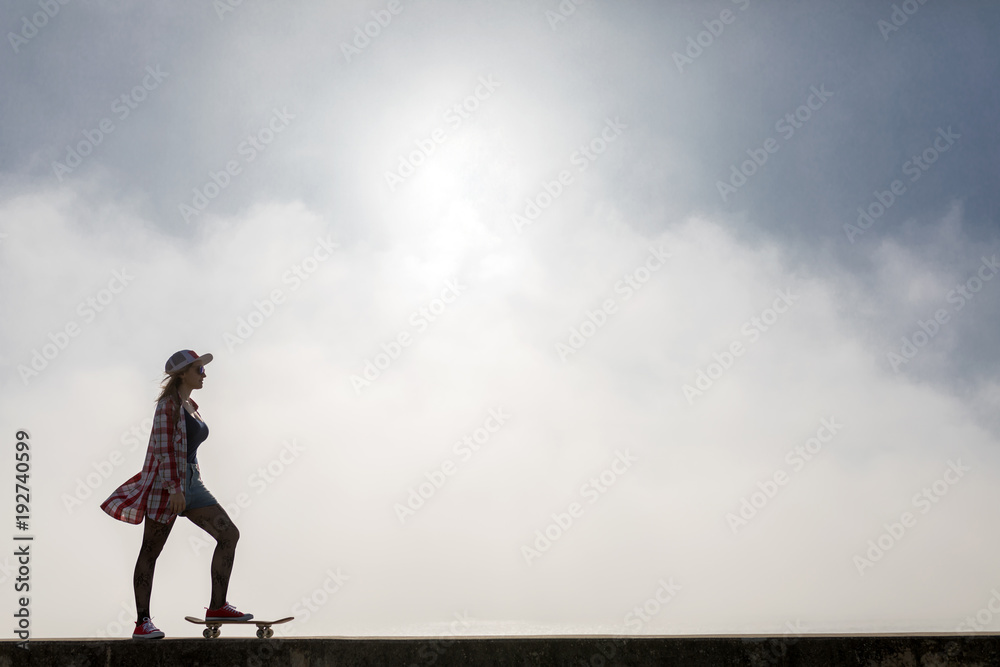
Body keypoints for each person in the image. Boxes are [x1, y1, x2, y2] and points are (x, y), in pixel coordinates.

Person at [101, 350, 252, 639]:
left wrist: (188, 483)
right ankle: (142, 623)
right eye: (199, 369)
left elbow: (186, 448)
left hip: (192, 481)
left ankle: (217, 606)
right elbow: (163, 449)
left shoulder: (191, 405)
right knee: (151, 551)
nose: (204, 374)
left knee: (229, 534)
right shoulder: (168, 406)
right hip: (167, 486)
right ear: (182, 374)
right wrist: (175, 489)